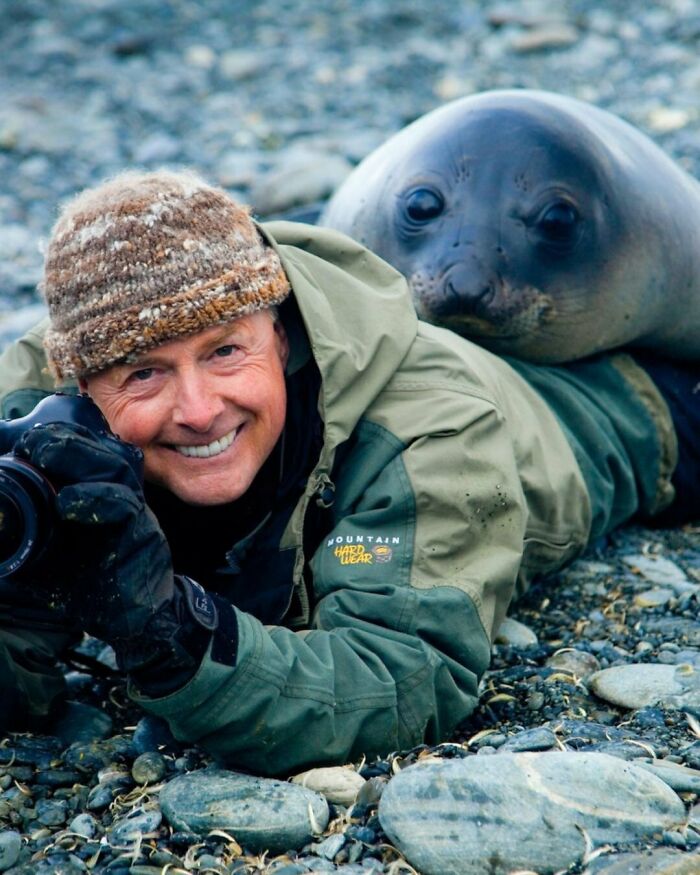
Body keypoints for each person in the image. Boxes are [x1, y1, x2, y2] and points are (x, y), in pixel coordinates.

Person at [0, 170, 695, 776]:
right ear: (78, 380)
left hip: (621, 411)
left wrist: (169, 631)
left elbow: (404, 676)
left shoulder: (427, 428)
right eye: (144, 372)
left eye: (224, 352)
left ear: (278, 333)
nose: (200, 410)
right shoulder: (38, 416)